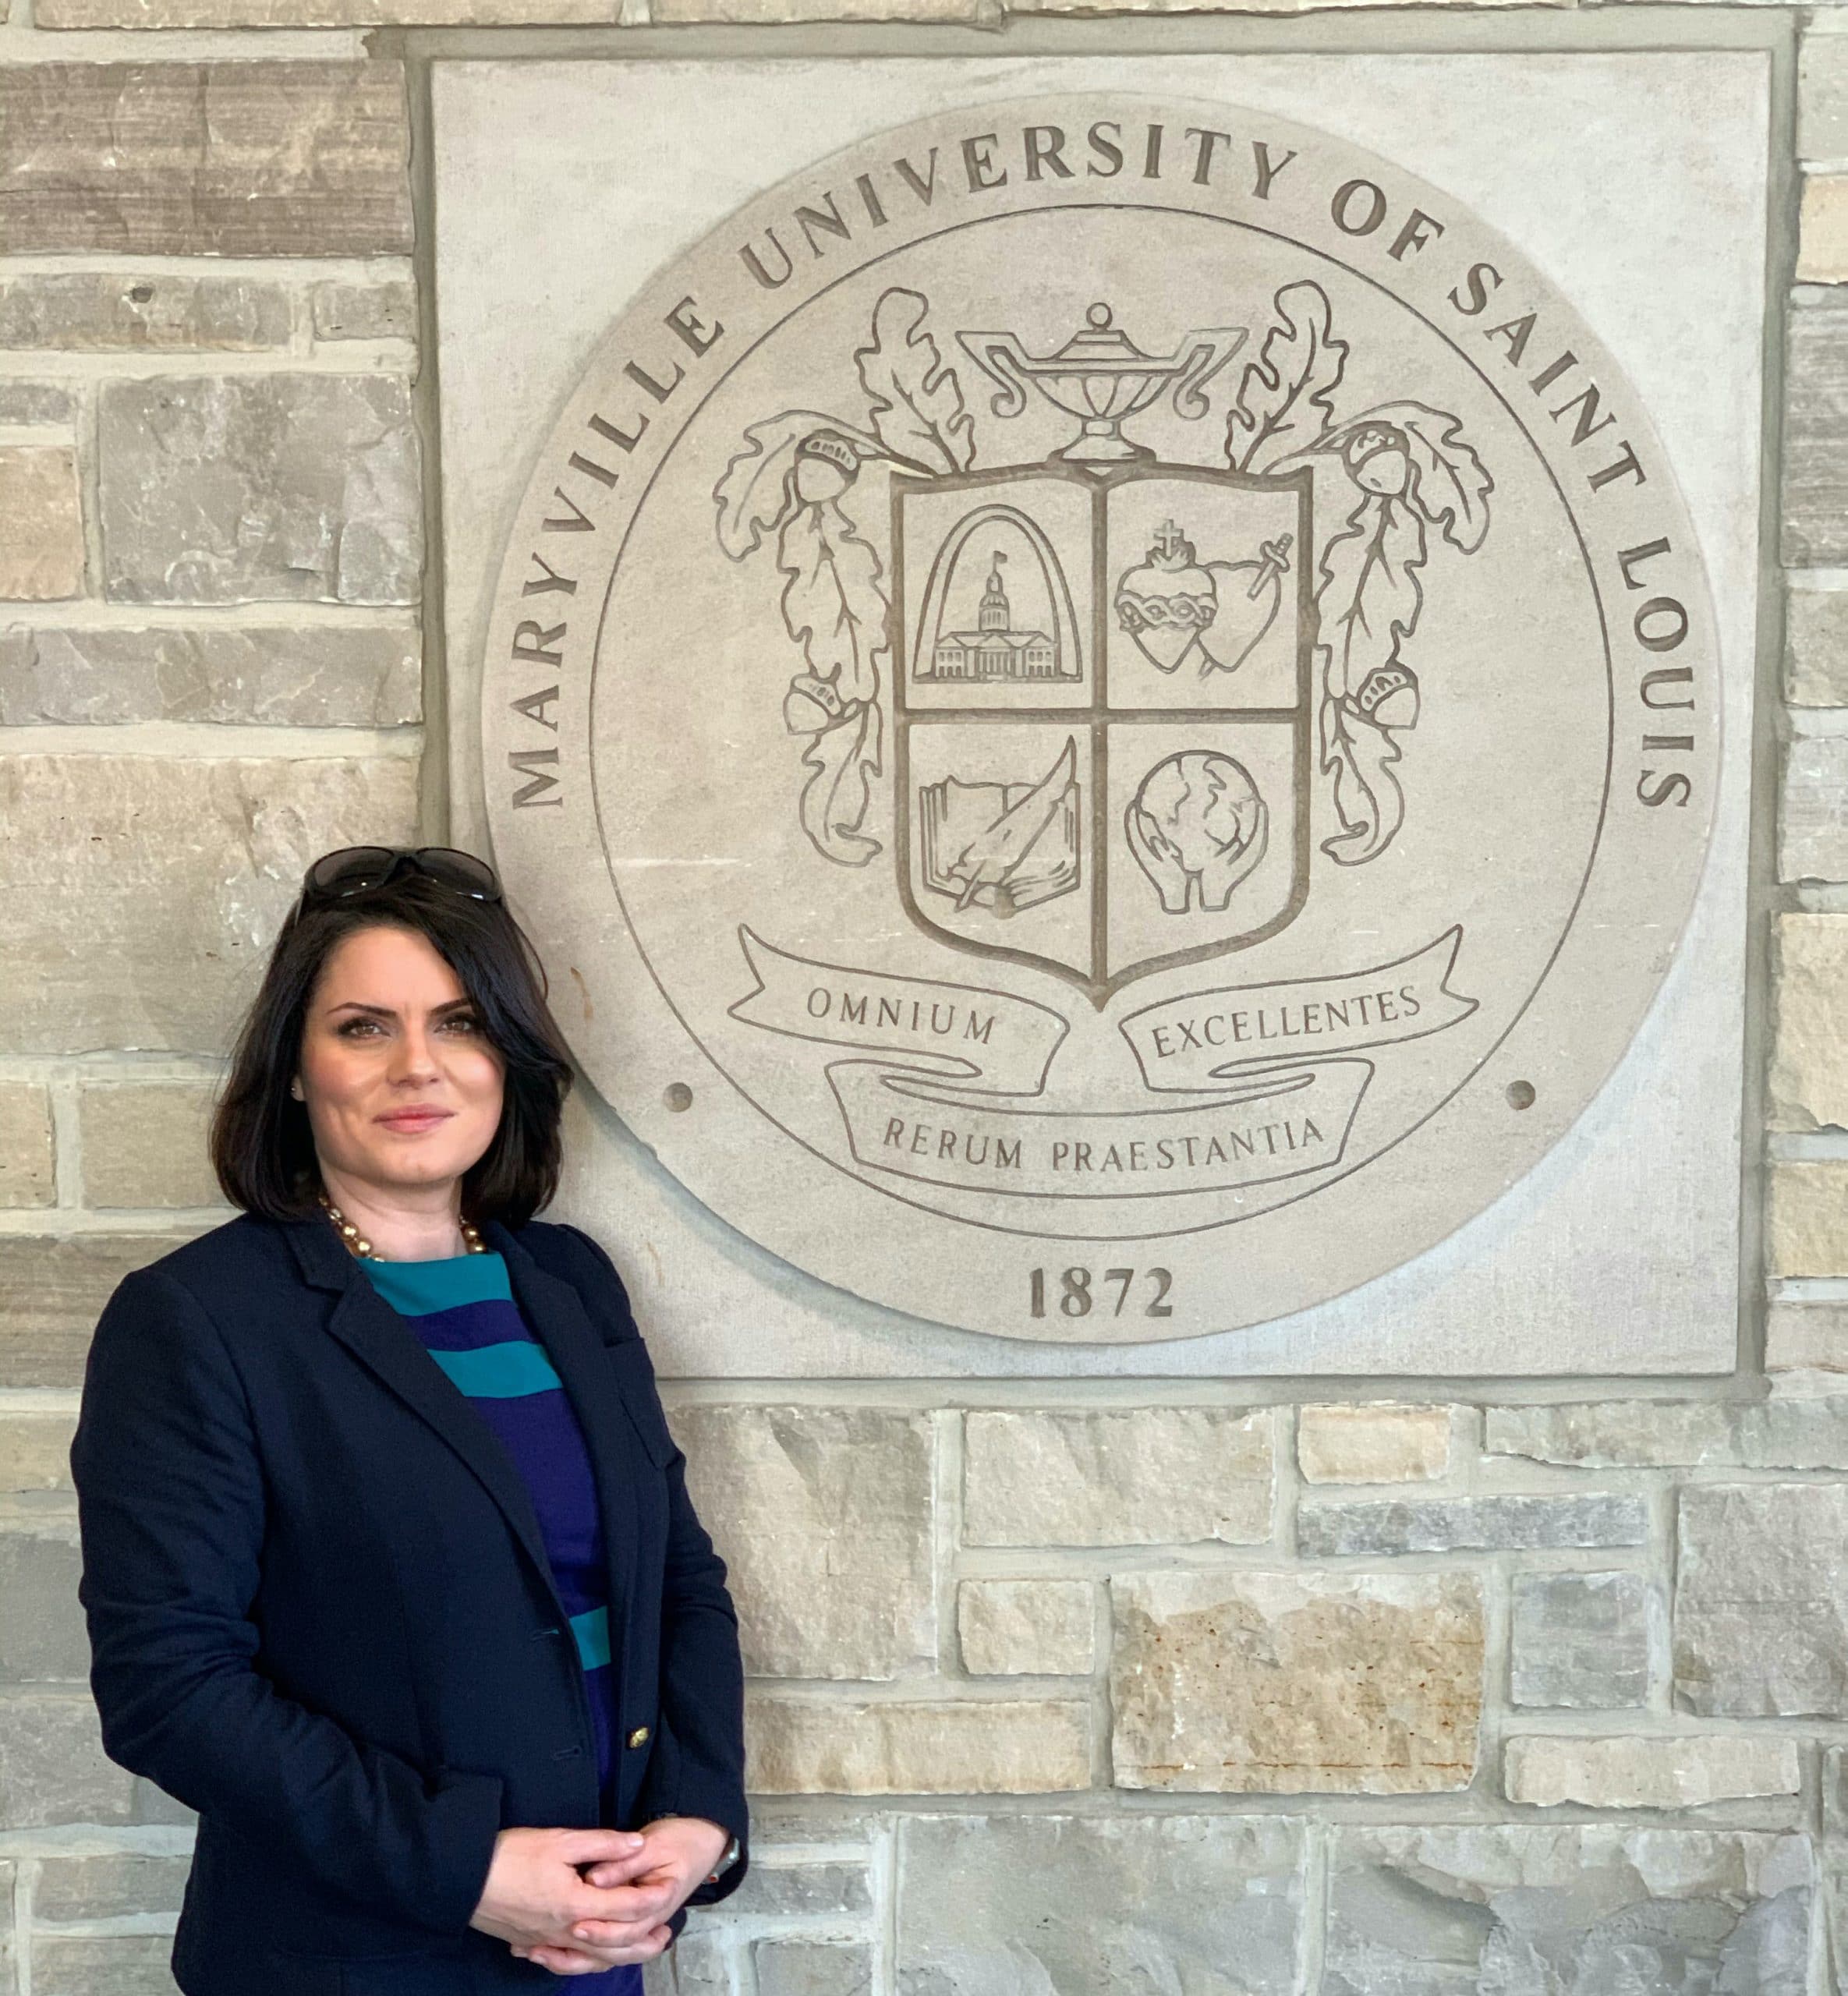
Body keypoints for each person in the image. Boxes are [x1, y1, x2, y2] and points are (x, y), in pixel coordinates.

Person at [69, 845, 749, 1994]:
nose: (418, 1067)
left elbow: (676, 1579)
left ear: (509, 1058)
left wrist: (696, 1826)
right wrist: (464, 1869)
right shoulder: (196, 1320)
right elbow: (169, 1687)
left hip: (592, 1944)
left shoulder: (571, 1285)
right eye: (364, 1027)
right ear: (294, 1066)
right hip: (347, 1954)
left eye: (462, 1022)